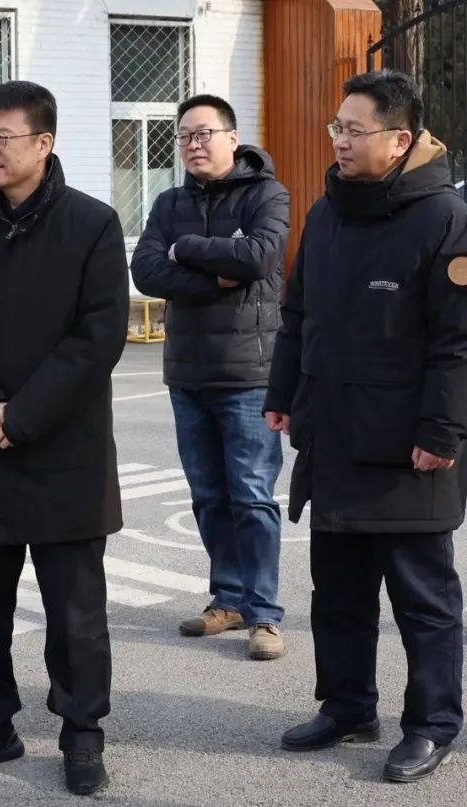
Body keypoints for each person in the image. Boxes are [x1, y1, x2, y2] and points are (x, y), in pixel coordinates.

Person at [0, 81, 129, 796]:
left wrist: (23, 414)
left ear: (43, 143)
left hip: (65, 450)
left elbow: (99, 336)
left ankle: (82, 733)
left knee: (76, 613)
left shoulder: (93, 224)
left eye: (1, 137)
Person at [267, 69, 465, 783]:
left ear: (400, 139)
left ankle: (433, 723)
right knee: (339, 592)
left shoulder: (444, 218)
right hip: (335, 434)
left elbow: (458, 341)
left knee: (422, 599)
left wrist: (442, 432)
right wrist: (283, 393)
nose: (340, 141)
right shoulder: (328, 212)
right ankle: (348, 705)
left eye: (355, 130)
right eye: (337, 127)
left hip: (409, 448)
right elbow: (299, 313)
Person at [130, 94, 290, 660]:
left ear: (232, 138)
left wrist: (186, 248)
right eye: (184, 136)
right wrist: (210, 274)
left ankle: (264, 614)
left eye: (203, 134)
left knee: (252, 496)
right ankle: (228, 598)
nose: (193, 145)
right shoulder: (169, 201)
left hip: (249, 374)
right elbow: (145, 270)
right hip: (188, 373)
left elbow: (259, 259)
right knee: (208, 495)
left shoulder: (267, 194)